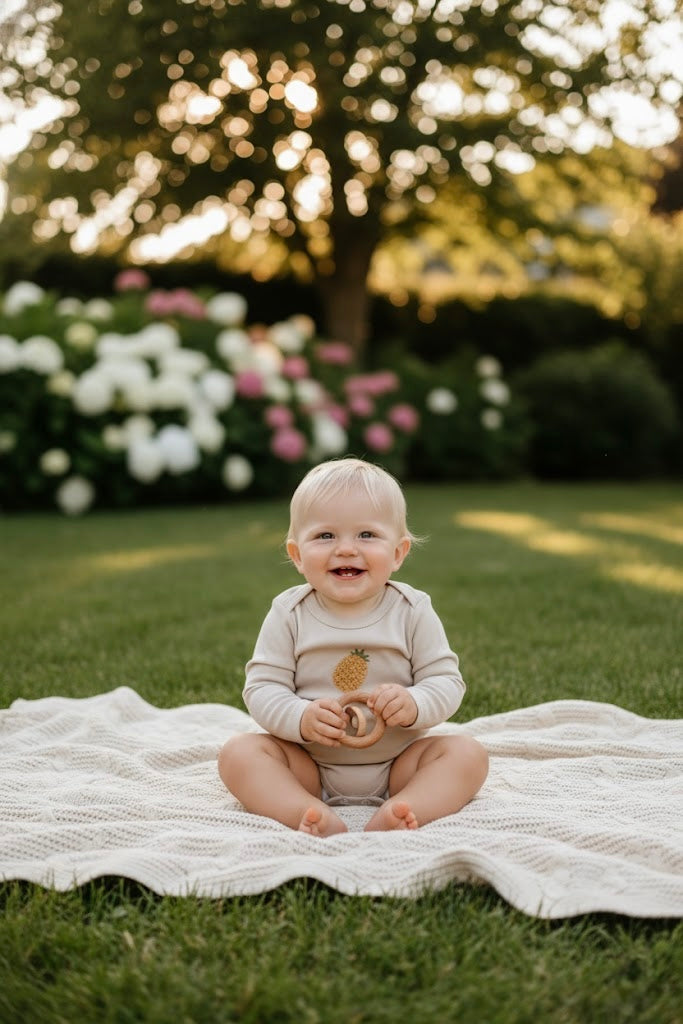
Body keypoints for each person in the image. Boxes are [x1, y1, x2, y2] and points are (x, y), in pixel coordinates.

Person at [218, 457, 488, 836]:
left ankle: (404, 807)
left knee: (467, 754)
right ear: (297, 555)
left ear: (398, 553)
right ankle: (304, 809)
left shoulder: (412, 610)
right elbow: (262, 688)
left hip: (399, 764)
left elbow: (445, 680)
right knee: (238, 754)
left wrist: (414, 704)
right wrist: (301, 717)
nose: (346, 549)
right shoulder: (289, 612)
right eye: (325, 536)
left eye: (366, 535)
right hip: (307, 764)